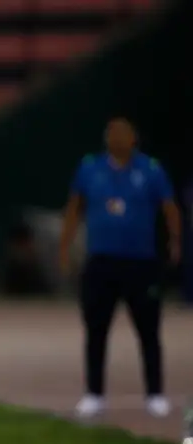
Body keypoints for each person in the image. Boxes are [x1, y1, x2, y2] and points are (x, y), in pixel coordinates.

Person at [59, 116, 182, 419]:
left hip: (140, 262)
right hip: (101, 261)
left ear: (133, 138)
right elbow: (74, 207)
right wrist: (65, 246)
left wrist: (175, 240)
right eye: (112, 133)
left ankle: (155, 394)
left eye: (123, 133)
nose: (117, 138)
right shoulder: (90, 168)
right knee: (96, 330)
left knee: (148, 330)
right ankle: (94, 394)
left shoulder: (150, 169)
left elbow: (169, 207)